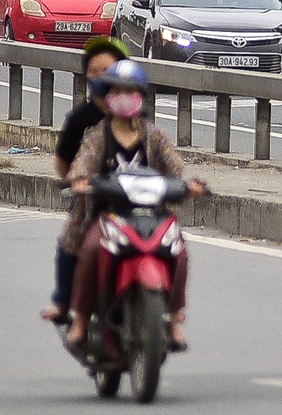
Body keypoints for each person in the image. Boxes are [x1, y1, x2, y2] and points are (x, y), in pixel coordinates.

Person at [62, 60, 207, 349]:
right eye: (118, 91)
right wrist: (79, 181)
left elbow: (176, 168)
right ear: (107, 96)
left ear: (141, 97)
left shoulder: (153, 135)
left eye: (131, 92)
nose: (124, 97)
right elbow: (81, 166)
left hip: (152, 215)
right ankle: (80, 320)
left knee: (179, 253)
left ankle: (174, 318)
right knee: (90, 248)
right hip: (110, 216)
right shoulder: (98, 136)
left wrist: (189, 185)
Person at [40, 36, 129, 324]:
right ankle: (66, 302)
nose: (102, 77)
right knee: (73, 238)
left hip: (133, 198)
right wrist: (76, 182)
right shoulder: (82, 119)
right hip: (93, 200)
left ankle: (169, 312)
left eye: (108, 70)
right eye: (94, 71)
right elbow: (64, 160)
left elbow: (161, 157)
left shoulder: (137, 118)